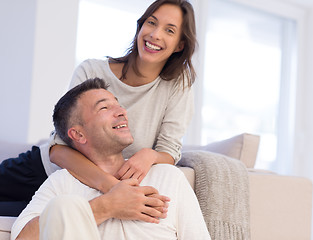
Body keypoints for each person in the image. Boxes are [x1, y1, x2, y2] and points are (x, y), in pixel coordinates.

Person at [0, 0, 197, 216]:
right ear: (140, 26)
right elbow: (58, 147)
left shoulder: (178, 87)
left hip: (77, 192)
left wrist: (149, 155)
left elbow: (168, 151)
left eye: (169, 30)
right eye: (151, 23)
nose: (155, 34)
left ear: (180, 44)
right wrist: (112, 188)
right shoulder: (92, 70)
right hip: (41, 171)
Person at [11, 78, 210, 240]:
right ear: (79, 135)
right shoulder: (62, 182)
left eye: (119, 105)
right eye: (104, 108)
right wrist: (106, 206)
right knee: (63, 206)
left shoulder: (168, 177)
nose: (122, 112)